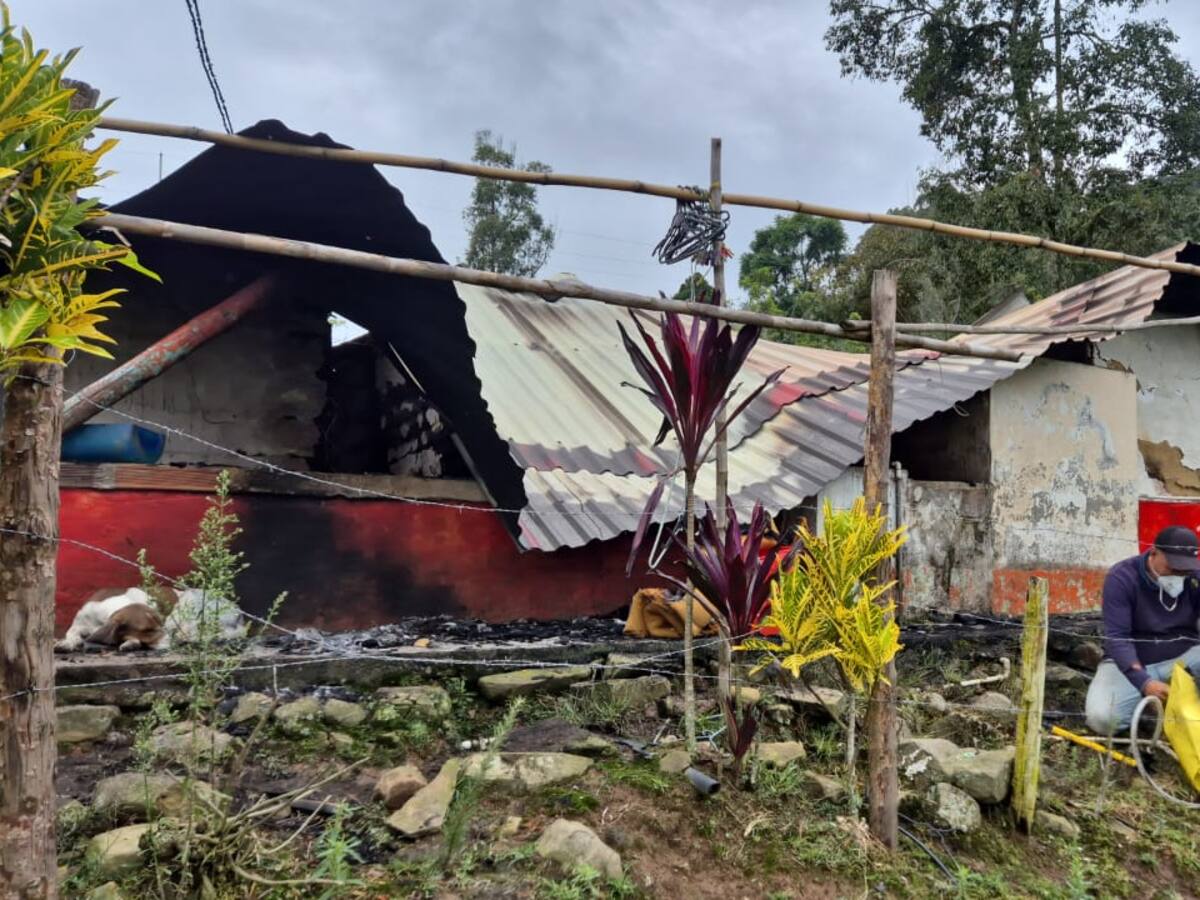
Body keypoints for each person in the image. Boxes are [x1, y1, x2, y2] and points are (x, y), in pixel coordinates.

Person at [1085, 526, 1200, 735]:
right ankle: (1148, 708)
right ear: (1154, 552)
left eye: (1185, 569)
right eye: (1173, 567)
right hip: (1131, 662)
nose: (1179, 574)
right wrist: (1144, 682)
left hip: (1184, 657)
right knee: (1102, 719)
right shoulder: (1122, 577)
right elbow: (1118, 638)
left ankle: (1178, 706)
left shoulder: (1194, 577)